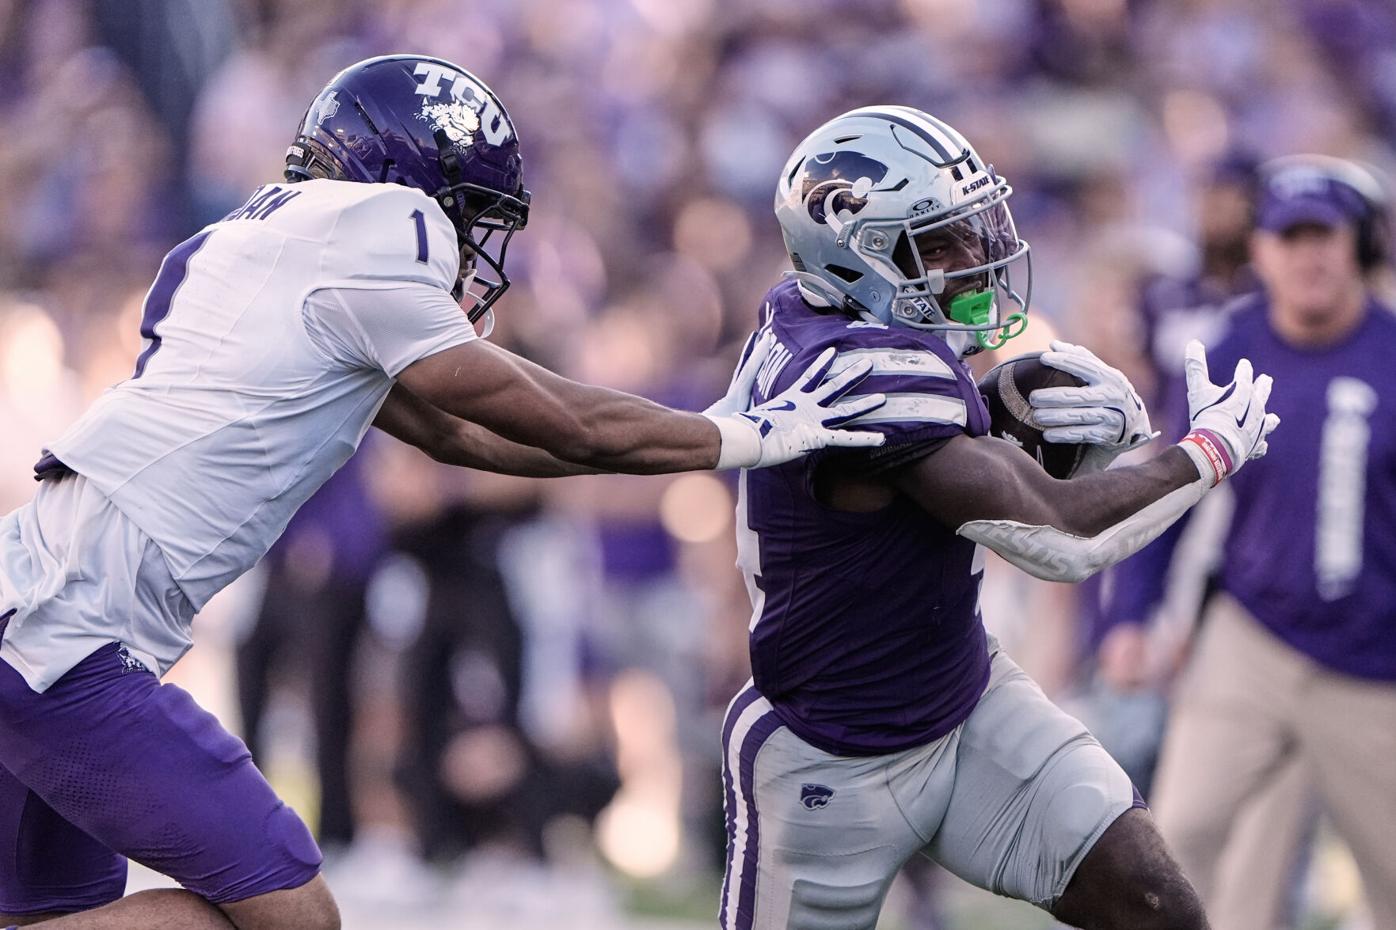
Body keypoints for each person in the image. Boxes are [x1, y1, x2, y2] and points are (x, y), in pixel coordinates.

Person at [0, 55, 888, 930]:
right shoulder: (378, 222)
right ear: (414, 181)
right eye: (471, 215)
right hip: (74, 644)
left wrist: (672, 449)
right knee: (293, 916)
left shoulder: (262, 240)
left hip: (34, 609)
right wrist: (738, 434)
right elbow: (547, 415)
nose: (471, 245)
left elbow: (468, 436)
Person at [717, 106, 1282, 930]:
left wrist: (998, 414)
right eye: (937, 245)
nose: (974, 260)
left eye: (970, 231)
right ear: (856, 255)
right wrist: (1203, 454)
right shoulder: (862, 369)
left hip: (970, 704)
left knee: (1161, 910)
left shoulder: (838, 314)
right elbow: (1058, 536)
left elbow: (928, 467)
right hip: (828, 760)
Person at [1106, 154, 1396, 930]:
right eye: (1287, 237)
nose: (1308, 256)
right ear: (1258, 251)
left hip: (1376, 664)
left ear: (1359, 245)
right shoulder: (1225, 347)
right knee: (1175, 849)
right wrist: (1129, 615)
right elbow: (1165, 488)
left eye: (1324, 236)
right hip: (1252, 639)